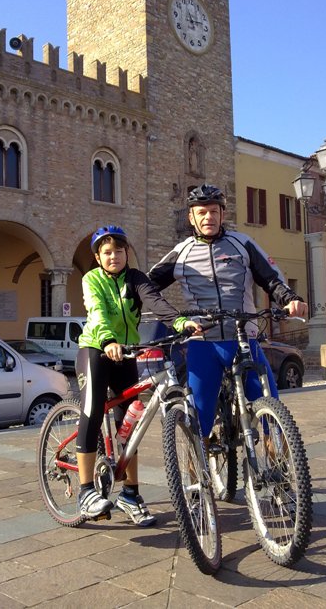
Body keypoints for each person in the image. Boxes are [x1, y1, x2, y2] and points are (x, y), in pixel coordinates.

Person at [148, 184, 308, 439]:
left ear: (223, 214)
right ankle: (199, 471)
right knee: (199, 420)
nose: (208, 217)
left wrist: (290, 298)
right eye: (201, 212)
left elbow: (270, 279)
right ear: (191, 217)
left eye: (213, 211)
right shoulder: (182, 252)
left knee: (270, 406)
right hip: (203, 342)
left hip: (244, 340)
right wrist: (173, 317)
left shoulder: (241, 243)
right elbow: (147, 287)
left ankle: (280, 462)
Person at [76, 225, 200, 525]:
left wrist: (180, 322)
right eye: (107, 252)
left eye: (119, 251)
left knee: (130, 424)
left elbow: (155, 300)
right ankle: (85, 491)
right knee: (92, 410)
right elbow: (97, 312)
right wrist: (107, 341)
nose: (114, 256)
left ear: (126, 253)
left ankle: (130, 494)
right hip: (96, 349)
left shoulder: (135, 279)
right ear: (97, 256)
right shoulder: (91, 279)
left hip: (126, 353)